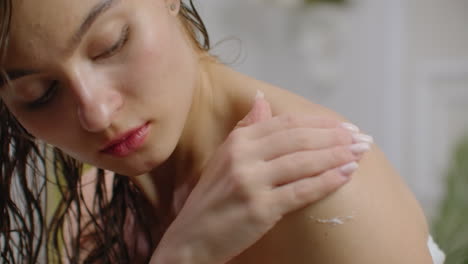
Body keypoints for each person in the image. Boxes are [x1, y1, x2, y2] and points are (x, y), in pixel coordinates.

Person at [0, 0, 441, 263]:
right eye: (40, 94)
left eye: (112, 44)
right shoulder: (97, 204)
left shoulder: (329, 196)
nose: (96, 113)